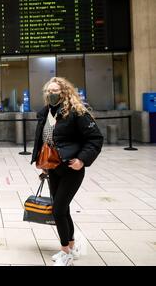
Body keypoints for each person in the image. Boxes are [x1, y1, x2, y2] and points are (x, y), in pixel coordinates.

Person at [31, 77, 103, 266]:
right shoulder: (46, 113)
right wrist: (42, 162)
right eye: (48, 91)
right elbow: (44, 141)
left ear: (64, 93)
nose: (50, 94)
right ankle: (71, 246)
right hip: (53, 167)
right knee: (63, 209)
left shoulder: (77, 113)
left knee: (58, 209)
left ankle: (65, 252)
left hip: (72, 167)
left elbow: (95, 139)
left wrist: (82, 160)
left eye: (54, 91)